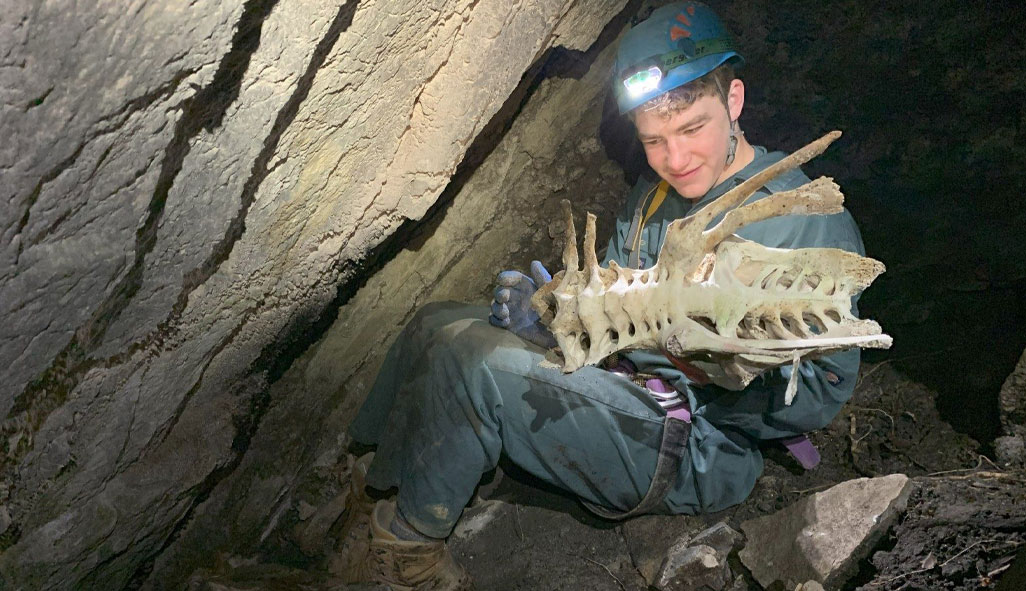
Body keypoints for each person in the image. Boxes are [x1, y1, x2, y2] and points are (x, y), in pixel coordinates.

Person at [333, 2, 866, 589]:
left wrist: (708, 362)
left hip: (697, 441)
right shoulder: (655, 195)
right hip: (626, 385)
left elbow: (820, 395)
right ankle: (379, 483)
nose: (676, 159)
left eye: (693, 129)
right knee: (437, 323)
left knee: (474, 363)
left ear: (734, 101)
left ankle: (408, 556)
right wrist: (559, 316)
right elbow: (614, 295)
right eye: (655, 140)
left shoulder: (800, 220)